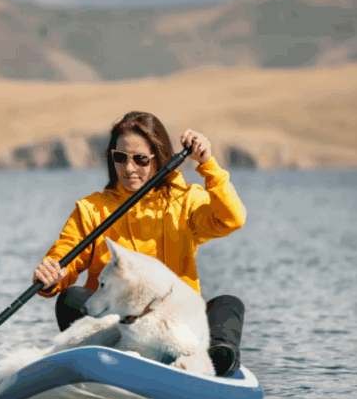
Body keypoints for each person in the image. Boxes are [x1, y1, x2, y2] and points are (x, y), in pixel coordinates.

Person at [32, 111, 248, 376]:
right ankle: (102, 365)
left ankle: (211, 362)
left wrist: (209, 166)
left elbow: (232, 219)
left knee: (229, 304)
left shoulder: (187, 201)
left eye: (141, 159)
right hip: (114, 332)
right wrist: (53, 274)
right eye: (120, 158)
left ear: (160, 159)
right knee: (71, 298)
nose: (129, 168)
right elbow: (65, 254)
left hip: (173, 330)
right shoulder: (91, 209)